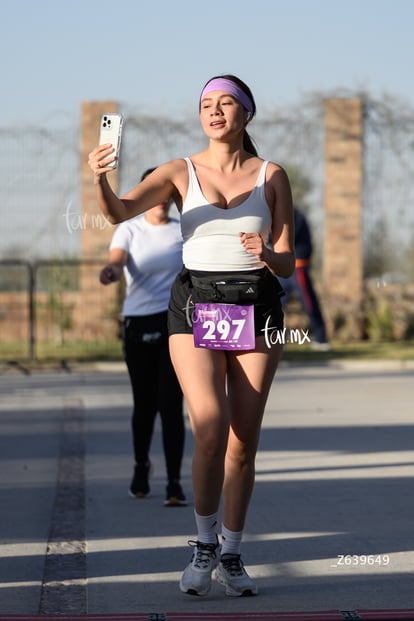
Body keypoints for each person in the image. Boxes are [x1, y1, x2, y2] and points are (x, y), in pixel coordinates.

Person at [89, 74, 295, 597]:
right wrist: (100, 179)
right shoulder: (180, 170)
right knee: (209, 426)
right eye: (207, 103)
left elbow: (288, 261)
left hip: (257, 305)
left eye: (227, 103)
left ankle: (232, 550)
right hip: (196, 302)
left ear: (247, 114)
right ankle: (203, 546)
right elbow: (119, 212)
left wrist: (266, 254)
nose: (216, 110)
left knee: (242, 443)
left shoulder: (272, 175)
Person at [99, 167, 187, 506]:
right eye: (156, 194)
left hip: (175, 323)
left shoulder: (184, 231)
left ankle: (175, 482)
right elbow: (117, 261)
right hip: (138, 323)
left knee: (170, 403)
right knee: (145, 404)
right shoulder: (130, 229)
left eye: (168, 195)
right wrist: (110, 271)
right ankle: (140, 466)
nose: (162, 201)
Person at [279, 207, 329, 350]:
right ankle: (277, 339)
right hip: (283, 267)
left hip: (297, 265)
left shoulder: (292, 214)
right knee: (274, 304)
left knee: (308, 301)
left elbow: (286, 235)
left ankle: (321, 338)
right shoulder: (277, 213)